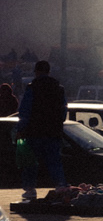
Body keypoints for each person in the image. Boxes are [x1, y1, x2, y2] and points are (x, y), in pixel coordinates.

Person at [16, 59, 67, 201]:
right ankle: (61, 186)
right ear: (49, 71)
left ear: (37, 72)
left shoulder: (32, 87)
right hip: (53, 131)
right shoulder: (59, 88)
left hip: (35, 131)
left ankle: (30, 189)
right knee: (54, 160)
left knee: (31, 161)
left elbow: (25, 111)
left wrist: (21, 129)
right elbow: (63, 111)